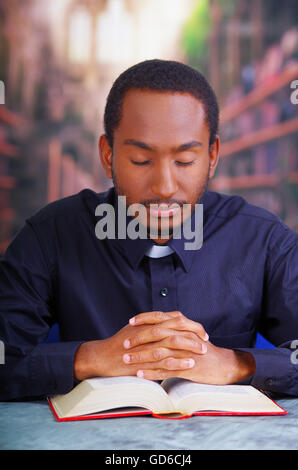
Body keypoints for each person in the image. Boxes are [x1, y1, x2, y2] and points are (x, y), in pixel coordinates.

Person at [0, 59, 297, 401]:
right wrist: (91, 358)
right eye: (141, 160)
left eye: (185, 161)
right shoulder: (51, 235)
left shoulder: (263, 240)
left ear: (213, 155)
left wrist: (236, 364)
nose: (165, 187)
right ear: (107, 154)